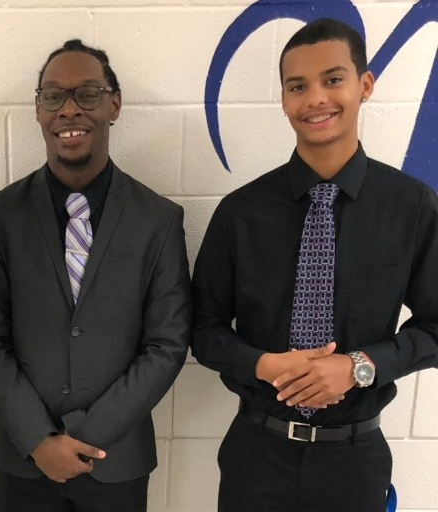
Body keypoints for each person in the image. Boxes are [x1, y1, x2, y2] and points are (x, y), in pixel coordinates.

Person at [191, 18, 438, 512]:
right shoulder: (241, 212)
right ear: (284, 100)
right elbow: (202, 329)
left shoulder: (411, 206)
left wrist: (359, 367)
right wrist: (261, 363)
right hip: (255, 455)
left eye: (333, 79)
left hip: (355, 459)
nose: (316, 99)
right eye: (297, 86)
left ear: (364, 85)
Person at [0, 39, 191, 512]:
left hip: (116, 463)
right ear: (38, 109)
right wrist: (39, 438)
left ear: (114, 104)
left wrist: (81, 436)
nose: (70, 110)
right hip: (24, 462)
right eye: (54, 96)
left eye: (87, 94)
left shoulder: (159, 219)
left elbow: (167, 345)